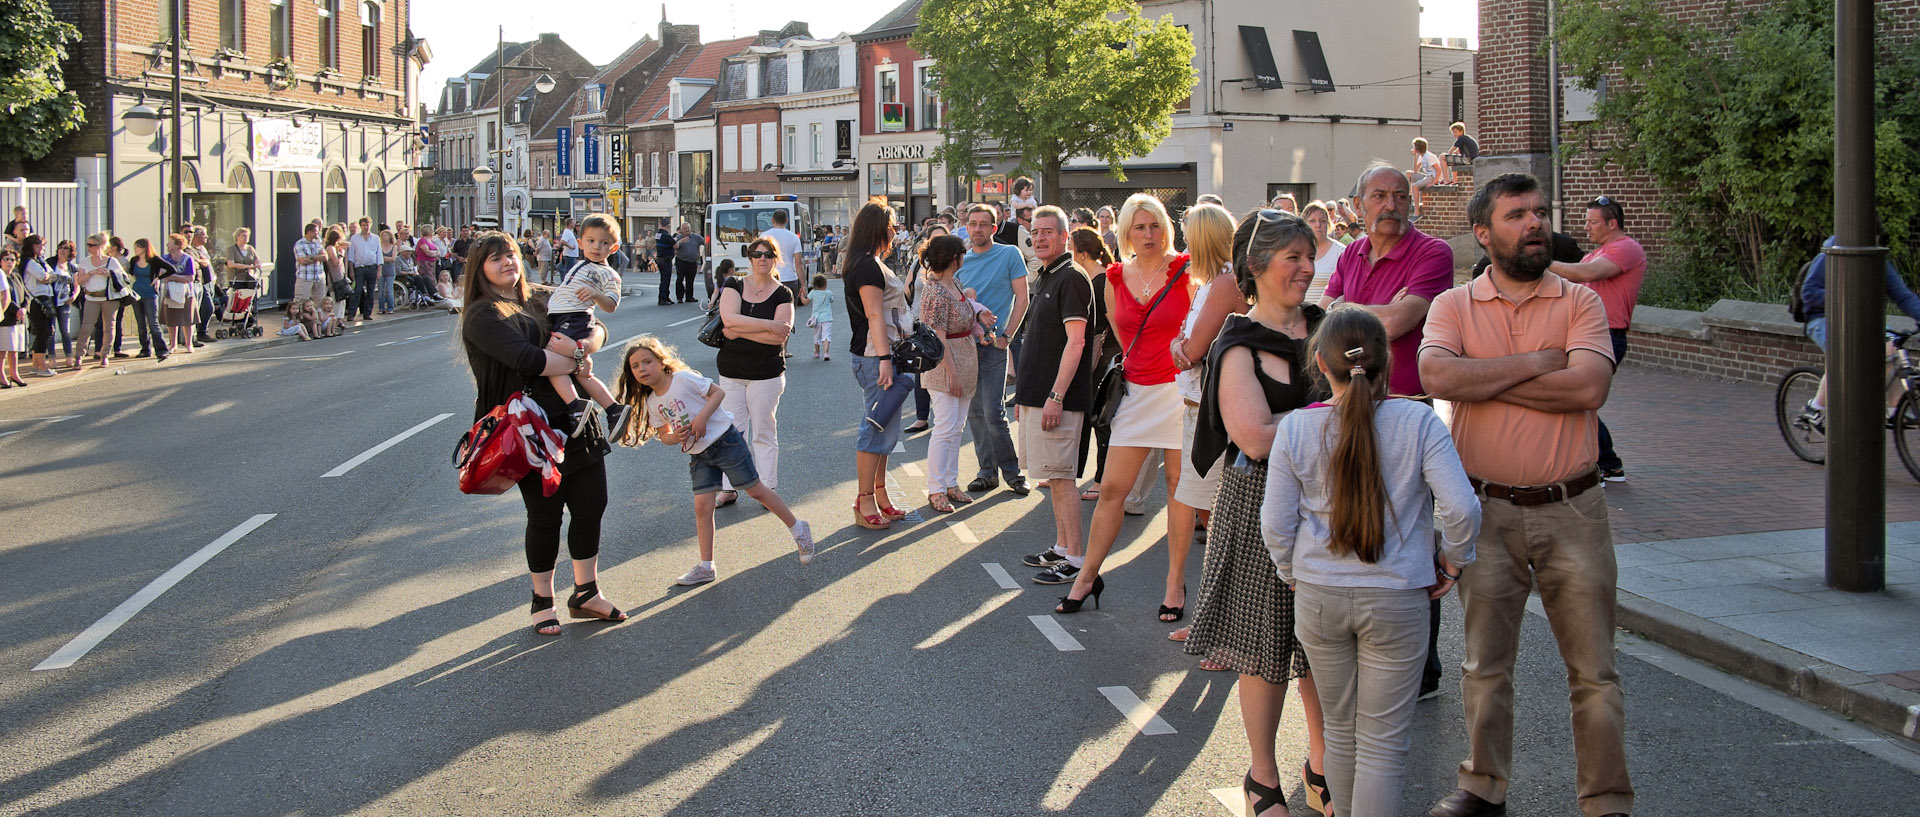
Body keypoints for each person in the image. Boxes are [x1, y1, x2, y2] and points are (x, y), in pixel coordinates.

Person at [1418, 172, 1629, 817]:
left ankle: (1607, 801)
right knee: (1484, 664)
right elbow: (1435, 374)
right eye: (1517, 215)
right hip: (1487, 512)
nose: (1534, 223)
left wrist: (1482, 381)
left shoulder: (1579, 302)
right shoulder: (1453, 306)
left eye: (1539, 212)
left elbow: (1588, 389)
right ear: (1484, 232)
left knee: (1594, 672)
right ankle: (1482, 789)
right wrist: (1541, 362)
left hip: (1575, 509)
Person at [1268, 305, 1481, 817]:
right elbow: (1461, 507)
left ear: (1320, 363)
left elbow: (1276, 523)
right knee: (1384, 742)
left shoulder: (1297, 428)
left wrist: (1292, 574)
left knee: (1339, 734)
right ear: (1387, 362)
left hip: (1320, 595)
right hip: (1397, 597)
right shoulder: (1418, 421)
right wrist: (1452, 561)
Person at [1180, 209, 1329, 817]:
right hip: (1261, 503)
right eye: (1292, 257)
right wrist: (1332, 417)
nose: (1306, 268)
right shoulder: (1236, 342)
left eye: (1308, 256)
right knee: (1267, 647)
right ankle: (1262, 777)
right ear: (1256, 267)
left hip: (1329, 502)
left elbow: (1374, 404)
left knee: (1324, 645)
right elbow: (1256, 438)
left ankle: (1321, 766)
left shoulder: (1329, 328)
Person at [1321, 164, 1459, 701]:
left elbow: (1400, 323)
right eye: (1379, 195)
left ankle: (1423, 668)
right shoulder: (1351, 253)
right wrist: (1366, 312)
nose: (1391, 204)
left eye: (1400, 195)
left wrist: (1348, 315)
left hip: (1406, 406)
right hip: (1349, 406)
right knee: (1356, 520)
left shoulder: (1433, 254)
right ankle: (1369, 648)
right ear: (1358, 204)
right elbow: (1328, 317)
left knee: (1412, 531)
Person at [459, 230, 626, 636]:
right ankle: (543, 600)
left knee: (592, 504)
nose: (507, 263)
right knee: (546, 514)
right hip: (528, 426)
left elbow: (597, 325)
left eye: (511, 255)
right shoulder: (482, 314)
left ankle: (586, 592)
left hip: (574, 416)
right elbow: (527, 359)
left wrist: (585, 346)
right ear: (480, 268)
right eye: (495, 258)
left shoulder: (541, 296)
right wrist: (572, 363)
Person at [1055, 193, 1192, 614]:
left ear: (1165, 228)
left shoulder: (1188, 270)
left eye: (1155, 226)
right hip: (1136, 390)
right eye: (1139, 227)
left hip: (1179, 391)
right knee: (1113, 488)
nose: (1148, 234)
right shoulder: (1114, 277)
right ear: (1126, 232)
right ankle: (1086, 577)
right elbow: (1124, 337)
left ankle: (1174, 585)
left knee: (1178, 488)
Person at [615, 336, 816, 585]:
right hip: (698, 454)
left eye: (647, 361)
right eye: (635, 366)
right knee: (702, 507)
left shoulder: (682, 380)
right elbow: (663, 435)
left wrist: (701, 419)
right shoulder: (652, 402)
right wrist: (673, 437)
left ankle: (799, 529)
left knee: (755, 490)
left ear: (662, 361)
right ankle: (706, 566)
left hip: (725, 441)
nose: (642, 369)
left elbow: (717, 393)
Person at [1159, 203, 1246, 622]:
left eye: (1189, 237)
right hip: (1197, 408)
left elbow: (1188, 350)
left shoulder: (1226, 282)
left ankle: (1223, 617)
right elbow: (1184, 344)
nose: (1185, 246)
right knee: (1210, 514)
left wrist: (1182, 347)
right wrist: (1182, 346)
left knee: (1219, 519)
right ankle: (1219, 615)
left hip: (1212, 415)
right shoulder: (1213, 281)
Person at [1013, 206, 1097, 580]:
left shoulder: (1072, 278)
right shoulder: (1047, 275)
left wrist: (1056, 396)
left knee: (1062, 479)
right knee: (1051, 476)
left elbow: (1077, 343)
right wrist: (1026, 398)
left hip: (1059, 401)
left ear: (1066, 236)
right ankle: (1062, 546)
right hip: (1037, 398)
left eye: (1049, 231)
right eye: (1036, 232)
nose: (1041, 237)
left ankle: (1075, 559)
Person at [1549, 195, 1647, 482]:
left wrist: (1542, 263)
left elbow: (1586, 273)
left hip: (1606, 336)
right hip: (1585, 335)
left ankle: (1602, 464)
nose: (1586, 227)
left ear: (1612, 223)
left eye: (1592, 222)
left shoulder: (1626, 248)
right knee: (1576, 400)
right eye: (1586, 221)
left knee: (1579, 399)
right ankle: (1606, 463)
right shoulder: (1597, 252)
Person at [843, 202, 916, 529]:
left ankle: (880, 494)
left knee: (885, 428)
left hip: (884, 354)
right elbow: (874, 315)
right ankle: (865, 500)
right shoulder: (867, 266)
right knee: (875, 428)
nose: (895, 229)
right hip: (876, 356)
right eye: (892, 224)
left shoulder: (871, 263)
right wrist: (886, 359)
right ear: (878, 227)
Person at [1799, 227, 1920, 422]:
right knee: (1843, 356)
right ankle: (1814, 408)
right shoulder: (1830, 255)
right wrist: (1845, 297)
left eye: (1874, 242)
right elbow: (1808, 292)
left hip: (1860, 318)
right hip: (1822, 318)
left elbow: (1903, 296)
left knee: (1891, 349)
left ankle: (1896, 410)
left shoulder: (1878, 261)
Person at [712, 235, 795, 507]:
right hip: (731, 372)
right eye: (756, 254)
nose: (762, 258)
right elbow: (727, 321)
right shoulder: (733, 284)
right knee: (732, 432)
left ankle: (767, 487)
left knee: (763, 431)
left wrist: (741, 330)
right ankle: (729, 487)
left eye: (768, 254)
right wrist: (768, 325)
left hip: (766, 374)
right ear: (749, 258)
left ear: (775, 259)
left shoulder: (783, 293)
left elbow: (778, 338)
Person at [957, 203, 1031, 496]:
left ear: (994, 228)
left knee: (993, 411)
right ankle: (986, 472)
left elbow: (1022, 298)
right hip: (964, 345)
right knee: (975, 412)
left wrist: (1007, 336)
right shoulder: (960, 259)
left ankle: (1013, 474)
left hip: (994, 346)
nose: (976, 229)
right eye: (972, 223)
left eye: (983, 224)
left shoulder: (1009, 254)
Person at [543, 214, 632, 441]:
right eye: (591, 241)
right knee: (583, 373)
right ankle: (613, 409)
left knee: (554, 363)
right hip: (565, 317)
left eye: (603, 243)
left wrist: (596, 294)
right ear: (580, 243)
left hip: (574, 318)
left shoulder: (608, 274)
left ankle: (575, 405)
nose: (596, 247)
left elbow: (611, 305)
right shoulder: (580, 264)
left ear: (613, 248)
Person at [915, 235, 978, 513]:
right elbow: (936, 335)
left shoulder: (955, 283)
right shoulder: (935, 290)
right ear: (955, 258)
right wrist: (951, 373)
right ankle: (937, 488)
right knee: (944, 427)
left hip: (964, 358)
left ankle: (951, 483)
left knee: (956, 427)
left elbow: (965, 316)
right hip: (945, 365)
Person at [69, 233, 128, 370]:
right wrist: (91, 273)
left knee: (109, 327)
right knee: (86, 328)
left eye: (92, 245)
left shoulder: (111, 261)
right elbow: (79, 280)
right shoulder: (85, 261)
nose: (89, 247)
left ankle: (105, 355)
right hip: (91, 297)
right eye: (88, 245)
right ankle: (78, 357)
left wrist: (109, 273)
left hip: (108, 297)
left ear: (101, 246)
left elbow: (123, 278)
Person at [127, 238, 172, 360]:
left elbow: (172, 269)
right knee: (141, 323)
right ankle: (145, 349)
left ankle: (161, 349)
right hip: (137, 293)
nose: (135, 249)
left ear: (144, 248)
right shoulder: (134, 260)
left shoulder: (154, 260)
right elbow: (130, 274)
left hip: (150, 294)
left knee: (153, 323)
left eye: (137, 247)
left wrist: (158, 278)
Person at [21, 235, 59, 375]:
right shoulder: (29, 262)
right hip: (37, 300)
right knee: (42, 331)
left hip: (47, 297)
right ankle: (42, 366)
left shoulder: (41, 262)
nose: (42, 248)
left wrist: (48, 277)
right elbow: (43, 277)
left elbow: (52, 275)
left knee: (44, 332)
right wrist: (48, 277)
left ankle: (36, 365)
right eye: (39, 245)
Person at [1303, 201, 1348, 304]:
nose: (1318, 225)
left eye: (1322, 221)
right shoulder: (1296, 250)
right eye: (1312, 221)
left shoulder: (1341, 252)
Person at [764, 209, 807, 307]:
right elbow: (798, 263)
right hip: (789, 279)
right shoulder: (794, 237)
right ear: (786, 220)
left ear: (772, 220)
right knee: (789, 313)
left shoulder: (764, 236)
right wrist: (803, 284)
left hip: (769, 279)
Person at [346, 217, 382, 323]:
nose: (365, 227)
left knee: (370, 292)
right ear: (360, 226)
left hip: (372, 267)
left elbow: (379, 254)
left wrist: (379, 270)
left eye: (367, 225)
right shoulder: (355, 239)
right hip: (360, 267)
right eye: (363, 225)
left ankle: (367, 313)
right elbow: (351, 255)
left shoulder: (375, 238)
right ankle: (352, 313)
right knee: (357, 290)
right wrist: (351, 270)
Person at [188, 226, 220, 343]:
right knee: (207, 307)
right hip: (200, 282)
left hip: (210, 282)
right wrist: (203, 262)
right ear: (196, 236)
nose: (206, 237)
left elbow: (207, 263)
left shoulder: (203, 249)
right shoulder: (191, 250)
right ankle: (201, 332)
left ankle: (201, 331)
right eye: (204, 234)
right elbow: (196, 263)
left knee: (209, 307)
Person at [0, 249, 24, 387]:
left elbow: (25, 294)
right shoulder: (2, 276)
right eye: (6, 259)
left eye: (12, 260)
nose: (9, 262)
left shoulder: (17, 276)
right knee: (3, 349)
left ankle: (14, 374)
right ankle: (1, 375)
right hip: (6, 317)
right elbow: (5, 298)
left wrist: (24, 308)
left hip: (18, 318)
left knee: (14, 349)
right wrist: (16, 310)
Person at [1407, 138, 1443, 219]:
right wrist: (1415, 156)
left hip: (1432, 176)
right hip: (1427, 175)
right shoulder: (1421, 156)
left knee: (1415, 187)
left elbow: (1438, 170)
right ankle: (1409, 197)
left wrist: (1434, 182)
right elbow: (1415, 170)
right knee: (1408, 173)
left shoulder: (1429, 156)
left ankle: (1417, 211)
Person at [671, 223, 705, 306]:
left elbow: (705, 242)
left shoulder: (696, 237)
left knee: (690, 280)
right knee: (680, 279)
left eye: (688, 228)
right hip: (681, 261)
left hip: (692, 262)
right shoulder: (679, 237)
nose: (687, 230)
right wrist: (680, 241)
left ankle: (689, 297)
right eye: (685, 228)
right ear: (681, 229)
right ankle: (680, 297)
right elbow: (673, 245)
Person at [809, 274, 836, 360]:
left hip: (816, 318)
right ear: (825, 284)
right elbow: (832, 300)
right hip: (827, 318)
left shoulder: (813, 292)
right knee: (826, 335)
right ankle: (826, 353)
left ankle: (817, 352)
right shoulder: (828, 293)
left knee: (817, 335)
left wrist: (802, 296)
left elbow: (805, 301)